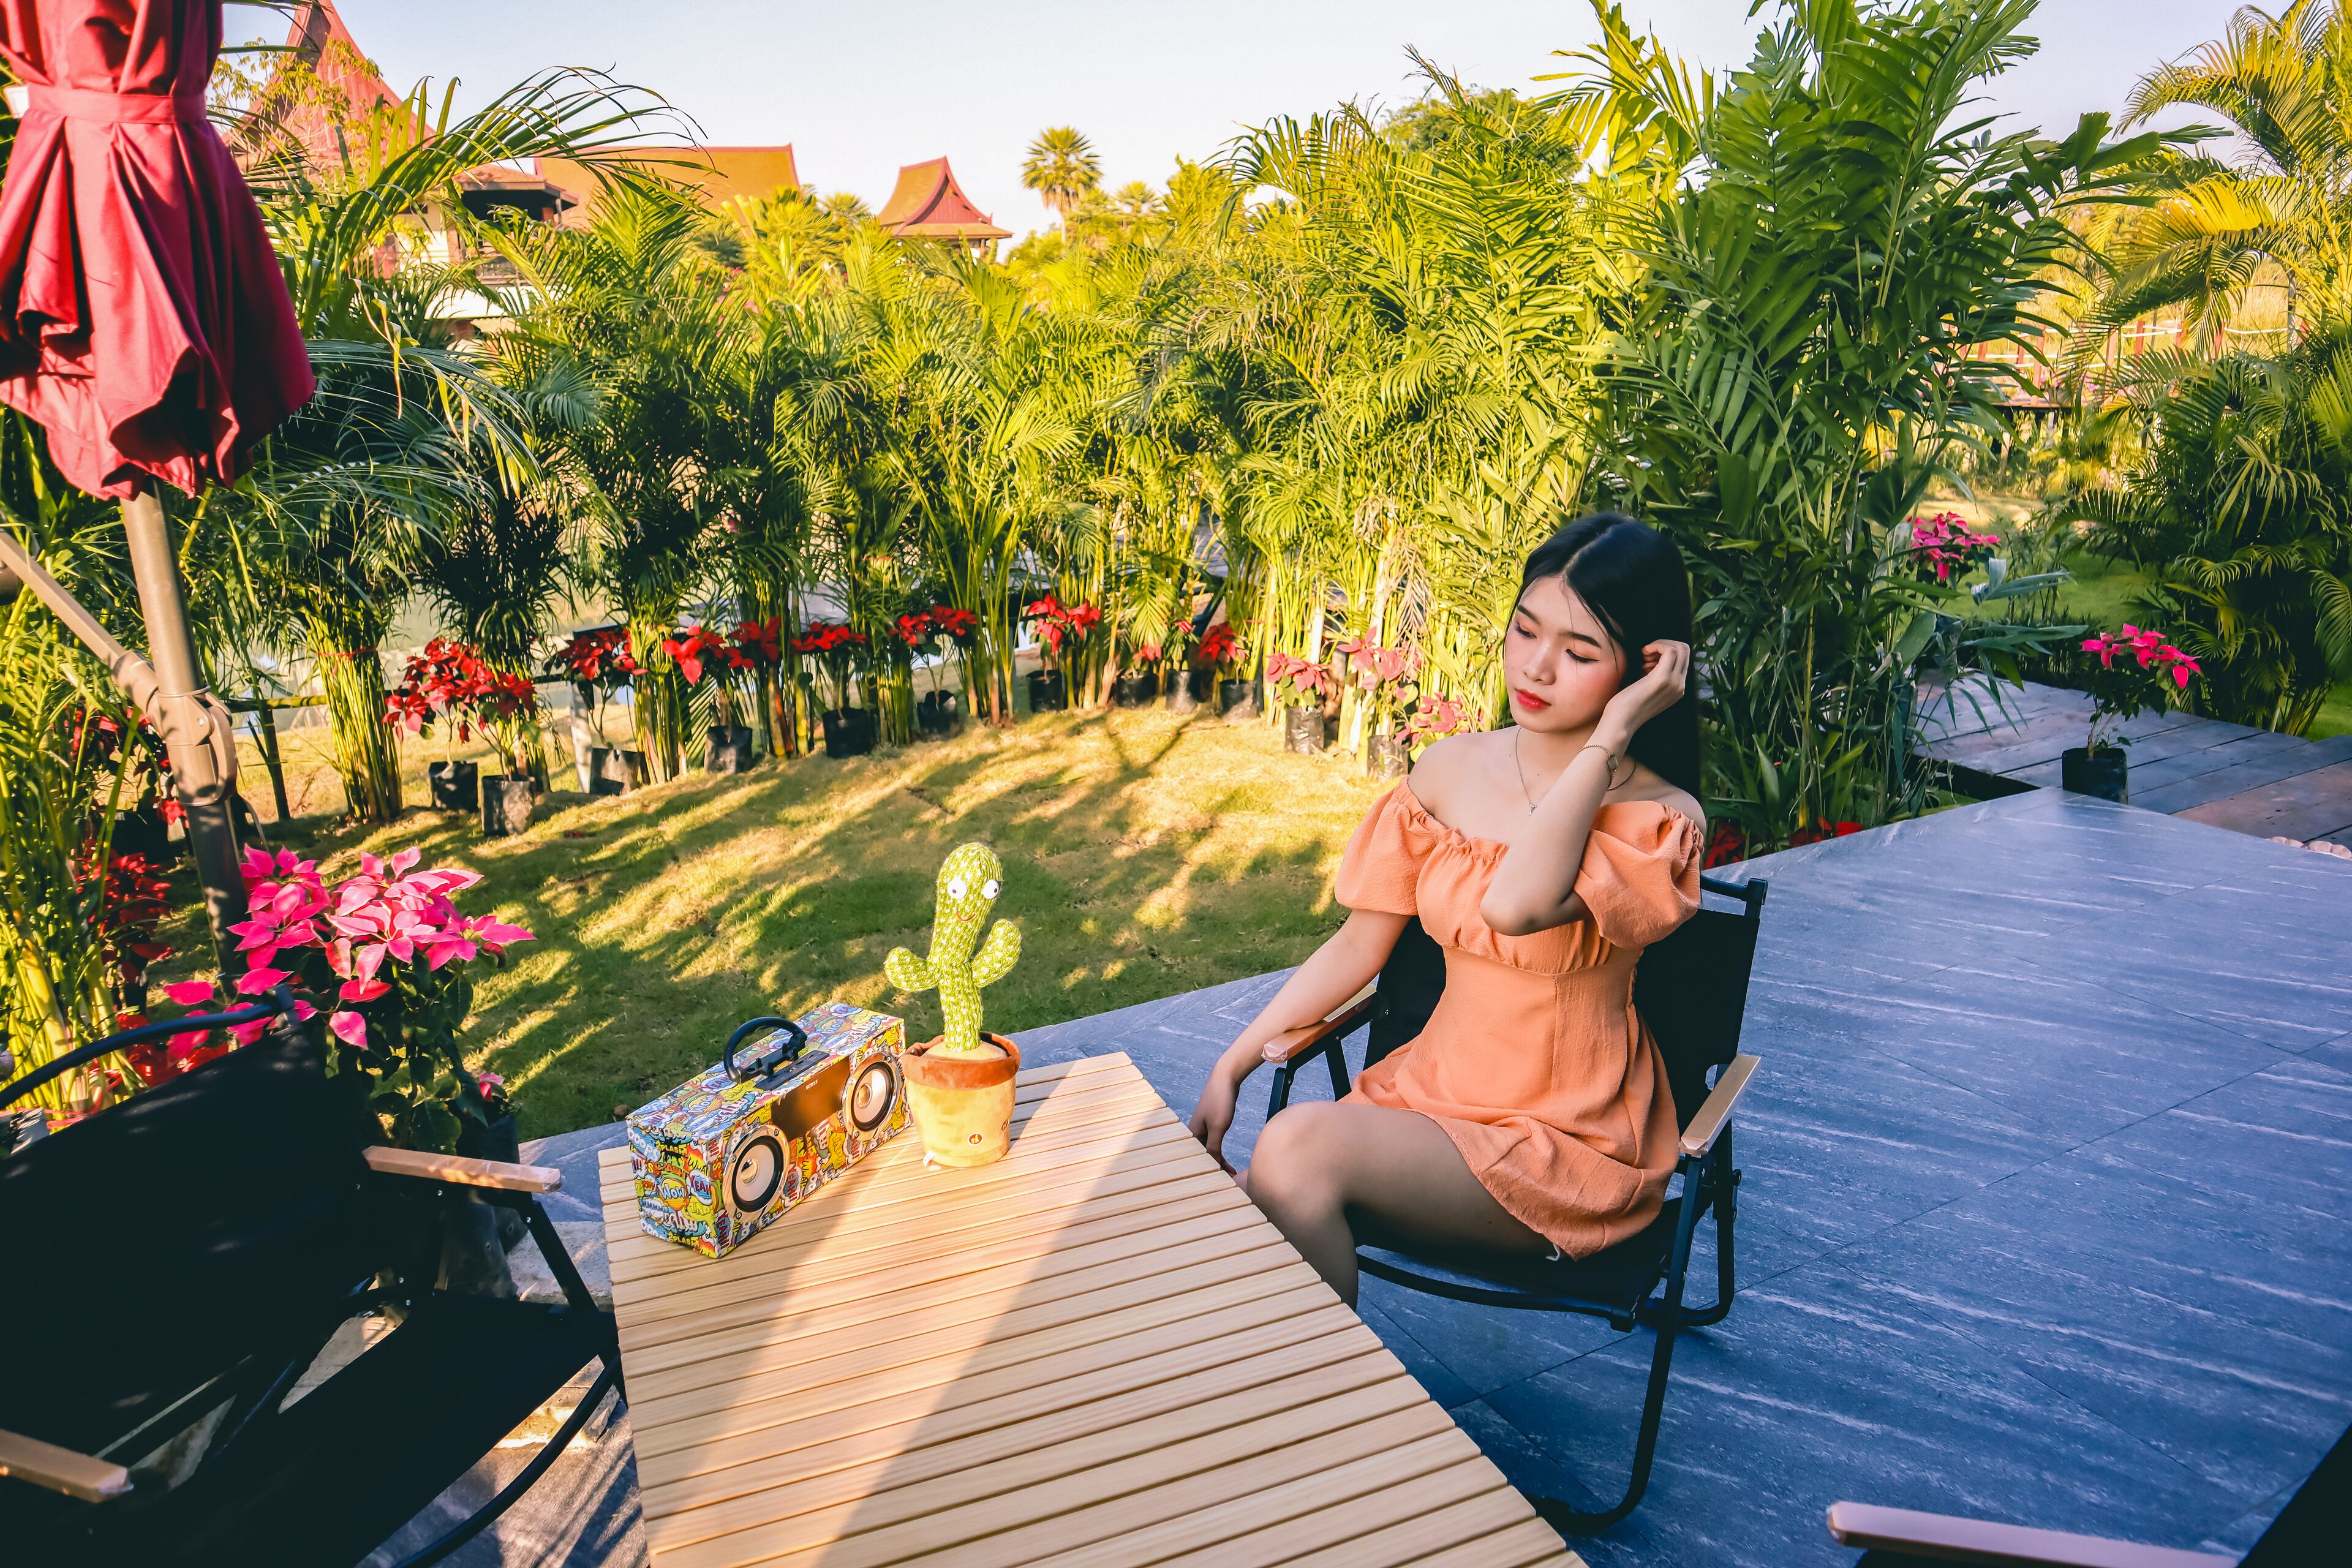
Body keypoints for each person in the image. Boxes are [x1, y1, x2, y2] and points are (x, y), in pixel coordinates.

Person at [1188, 512, 1706, 1305]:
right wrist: (1233, 1063)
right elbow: (1357, 949)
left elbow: (1518, 901)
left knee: (1291, 1158)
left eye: (1578, 652)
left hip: (1563, 1141)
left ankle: (1329, 1421)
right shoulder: (1449, 769)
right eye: (1525, 630)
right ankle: (1319, 1416)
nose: (1536, 667)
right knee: (1279, 1178)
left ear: (1642, 672)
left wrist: (1610, 740)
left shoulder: (1661, 818)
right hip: (1430, 1100)